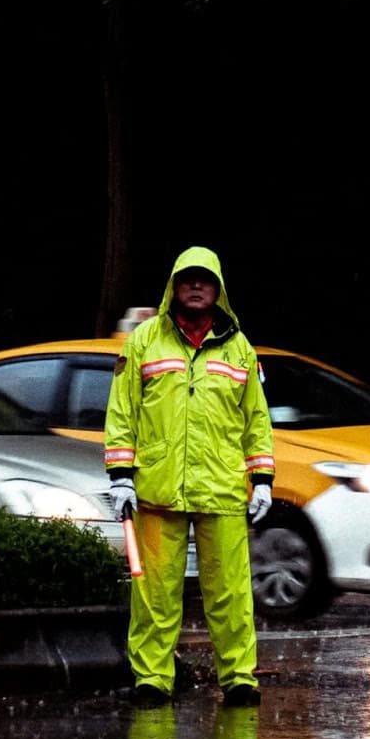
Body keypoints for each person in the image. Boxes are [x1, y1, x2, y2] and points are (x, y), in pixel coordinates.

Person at [104, 247, 275, 707]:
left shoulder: (240, 349)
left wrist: (262, 480)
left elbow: (256, 421)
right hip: (157, 492)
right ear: (173, 287)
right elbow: (122, 411)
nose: (196, 287)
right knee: (155, 595)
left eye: (204, 280)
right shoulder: (143, 341)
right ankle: (152, 679)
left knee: (231, 595)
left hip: (220, 490)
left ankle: (239, 677)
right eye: (187, 279)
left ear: (218, 289)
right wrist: (120, 475)